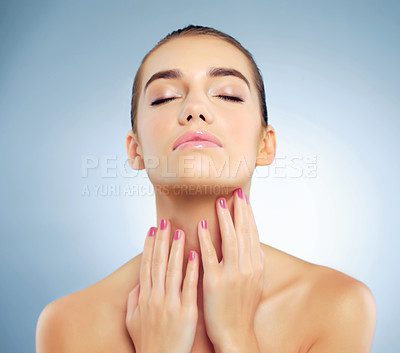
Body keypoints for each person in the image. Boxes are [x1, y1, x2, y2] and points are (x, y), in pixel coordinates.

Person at [36, 25, 377, 353]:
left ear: (265, 145)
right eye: (164, 97)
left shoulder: (337, 306)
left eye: (227, 94)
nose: (194, 109)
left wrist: (236, 337)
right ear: (135, 149)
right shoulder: (69, 324)